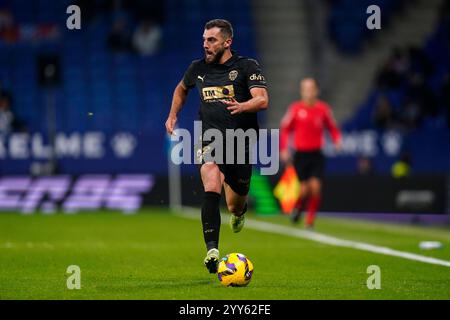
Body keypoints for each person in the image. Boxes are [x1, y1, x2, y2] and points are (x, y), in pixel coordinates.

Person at [164, 19, 269, 273]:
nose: (205, 44)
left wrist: (242, 106)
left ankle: (239, 213)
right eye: (204, 39)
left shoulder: (247, 67)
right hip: (209, 138)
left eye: (211, 40)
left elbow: (262, 100)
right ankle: (212, 249)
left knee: (235, 203)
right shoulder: (197, 68)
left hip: (240, 142)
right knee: (210, 180)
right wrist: (172, 115)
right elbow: (181, 89)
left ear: (227, 42)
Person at [280, 78, 341, 229]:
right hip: (301, 155)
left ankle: (309, 221)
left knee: (315, 187)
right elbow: (285, 129)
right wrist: (284, 148)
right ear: (301, 91)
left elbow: (332, 127)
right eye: (305, 89)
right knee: (304, 189)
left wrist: (337, 140)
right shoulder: (295, 109)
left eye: (311, 89)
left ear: (316, 91)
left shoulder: (323, 109)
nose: (308, 92)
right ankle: (298, 208)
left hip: (316, 154)